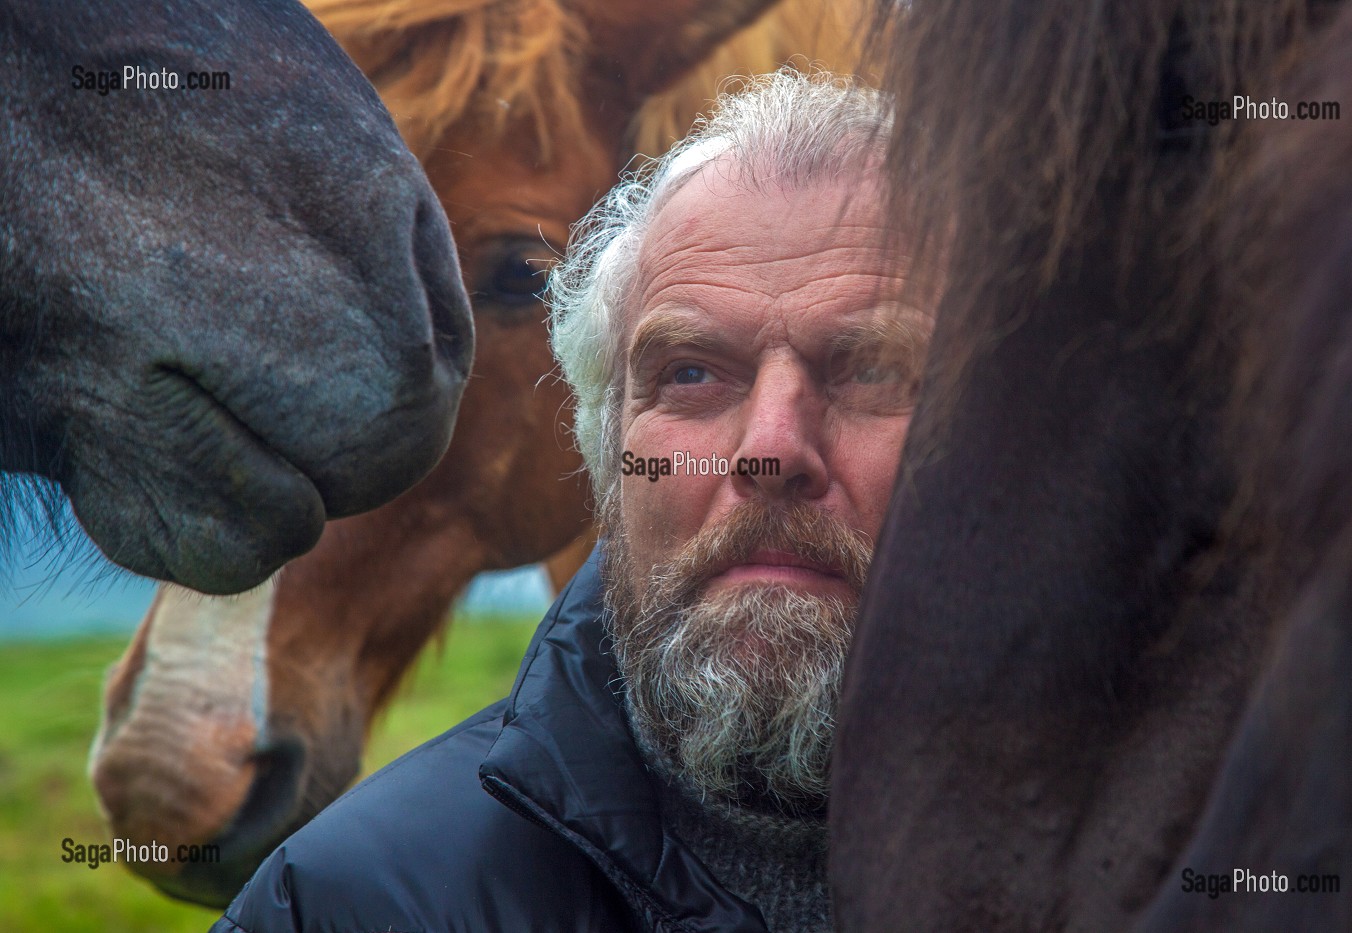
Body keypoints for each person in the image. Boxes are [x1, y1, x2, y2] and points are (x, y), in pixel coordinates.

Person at [212, 70, 931, 933]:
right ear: (606, 453)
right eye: (691, 373)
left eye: (877, 368)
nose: (770, 449)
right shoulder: (347, 907)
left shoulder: (1136, 883)